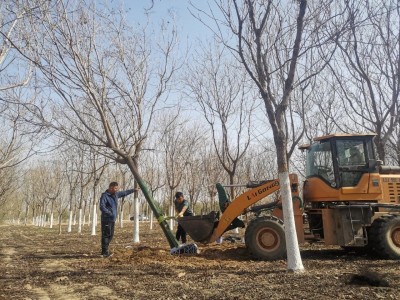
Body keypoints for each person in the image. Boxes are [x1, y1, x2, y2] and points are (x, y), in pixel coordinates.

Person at [99, 182, 139, 257]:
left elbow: (124, 192)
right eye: (115, 188)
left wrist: (134, 190)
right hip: (106, 219)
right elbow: (102, 207)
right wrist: (109, 213)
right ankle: (104, 252)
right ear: (110, 187)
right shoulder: (105, 196)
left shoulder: (116, 194)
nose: (116, 190)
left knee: (110, 235)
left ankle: (105, 250)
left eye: (117, 188)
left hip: (112, 219)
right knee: (106, 235)